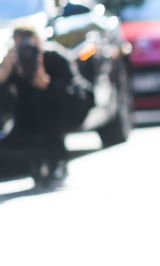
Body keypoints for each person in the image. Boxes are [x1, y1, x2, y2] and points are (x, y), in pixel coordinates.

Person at [0, 21, 93, 186]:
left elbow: (78, 95)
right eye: (21, 46)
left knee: (45, 107)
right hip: (24, 120)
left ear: (40, 42)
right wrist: (3, 77)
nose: (27, 52)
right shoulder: (11, 64)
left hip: (60, 115)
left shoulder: (55, 58)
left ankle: (58, 161)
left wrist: (47, 84)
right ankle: (34, 159)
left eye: (31, 44)